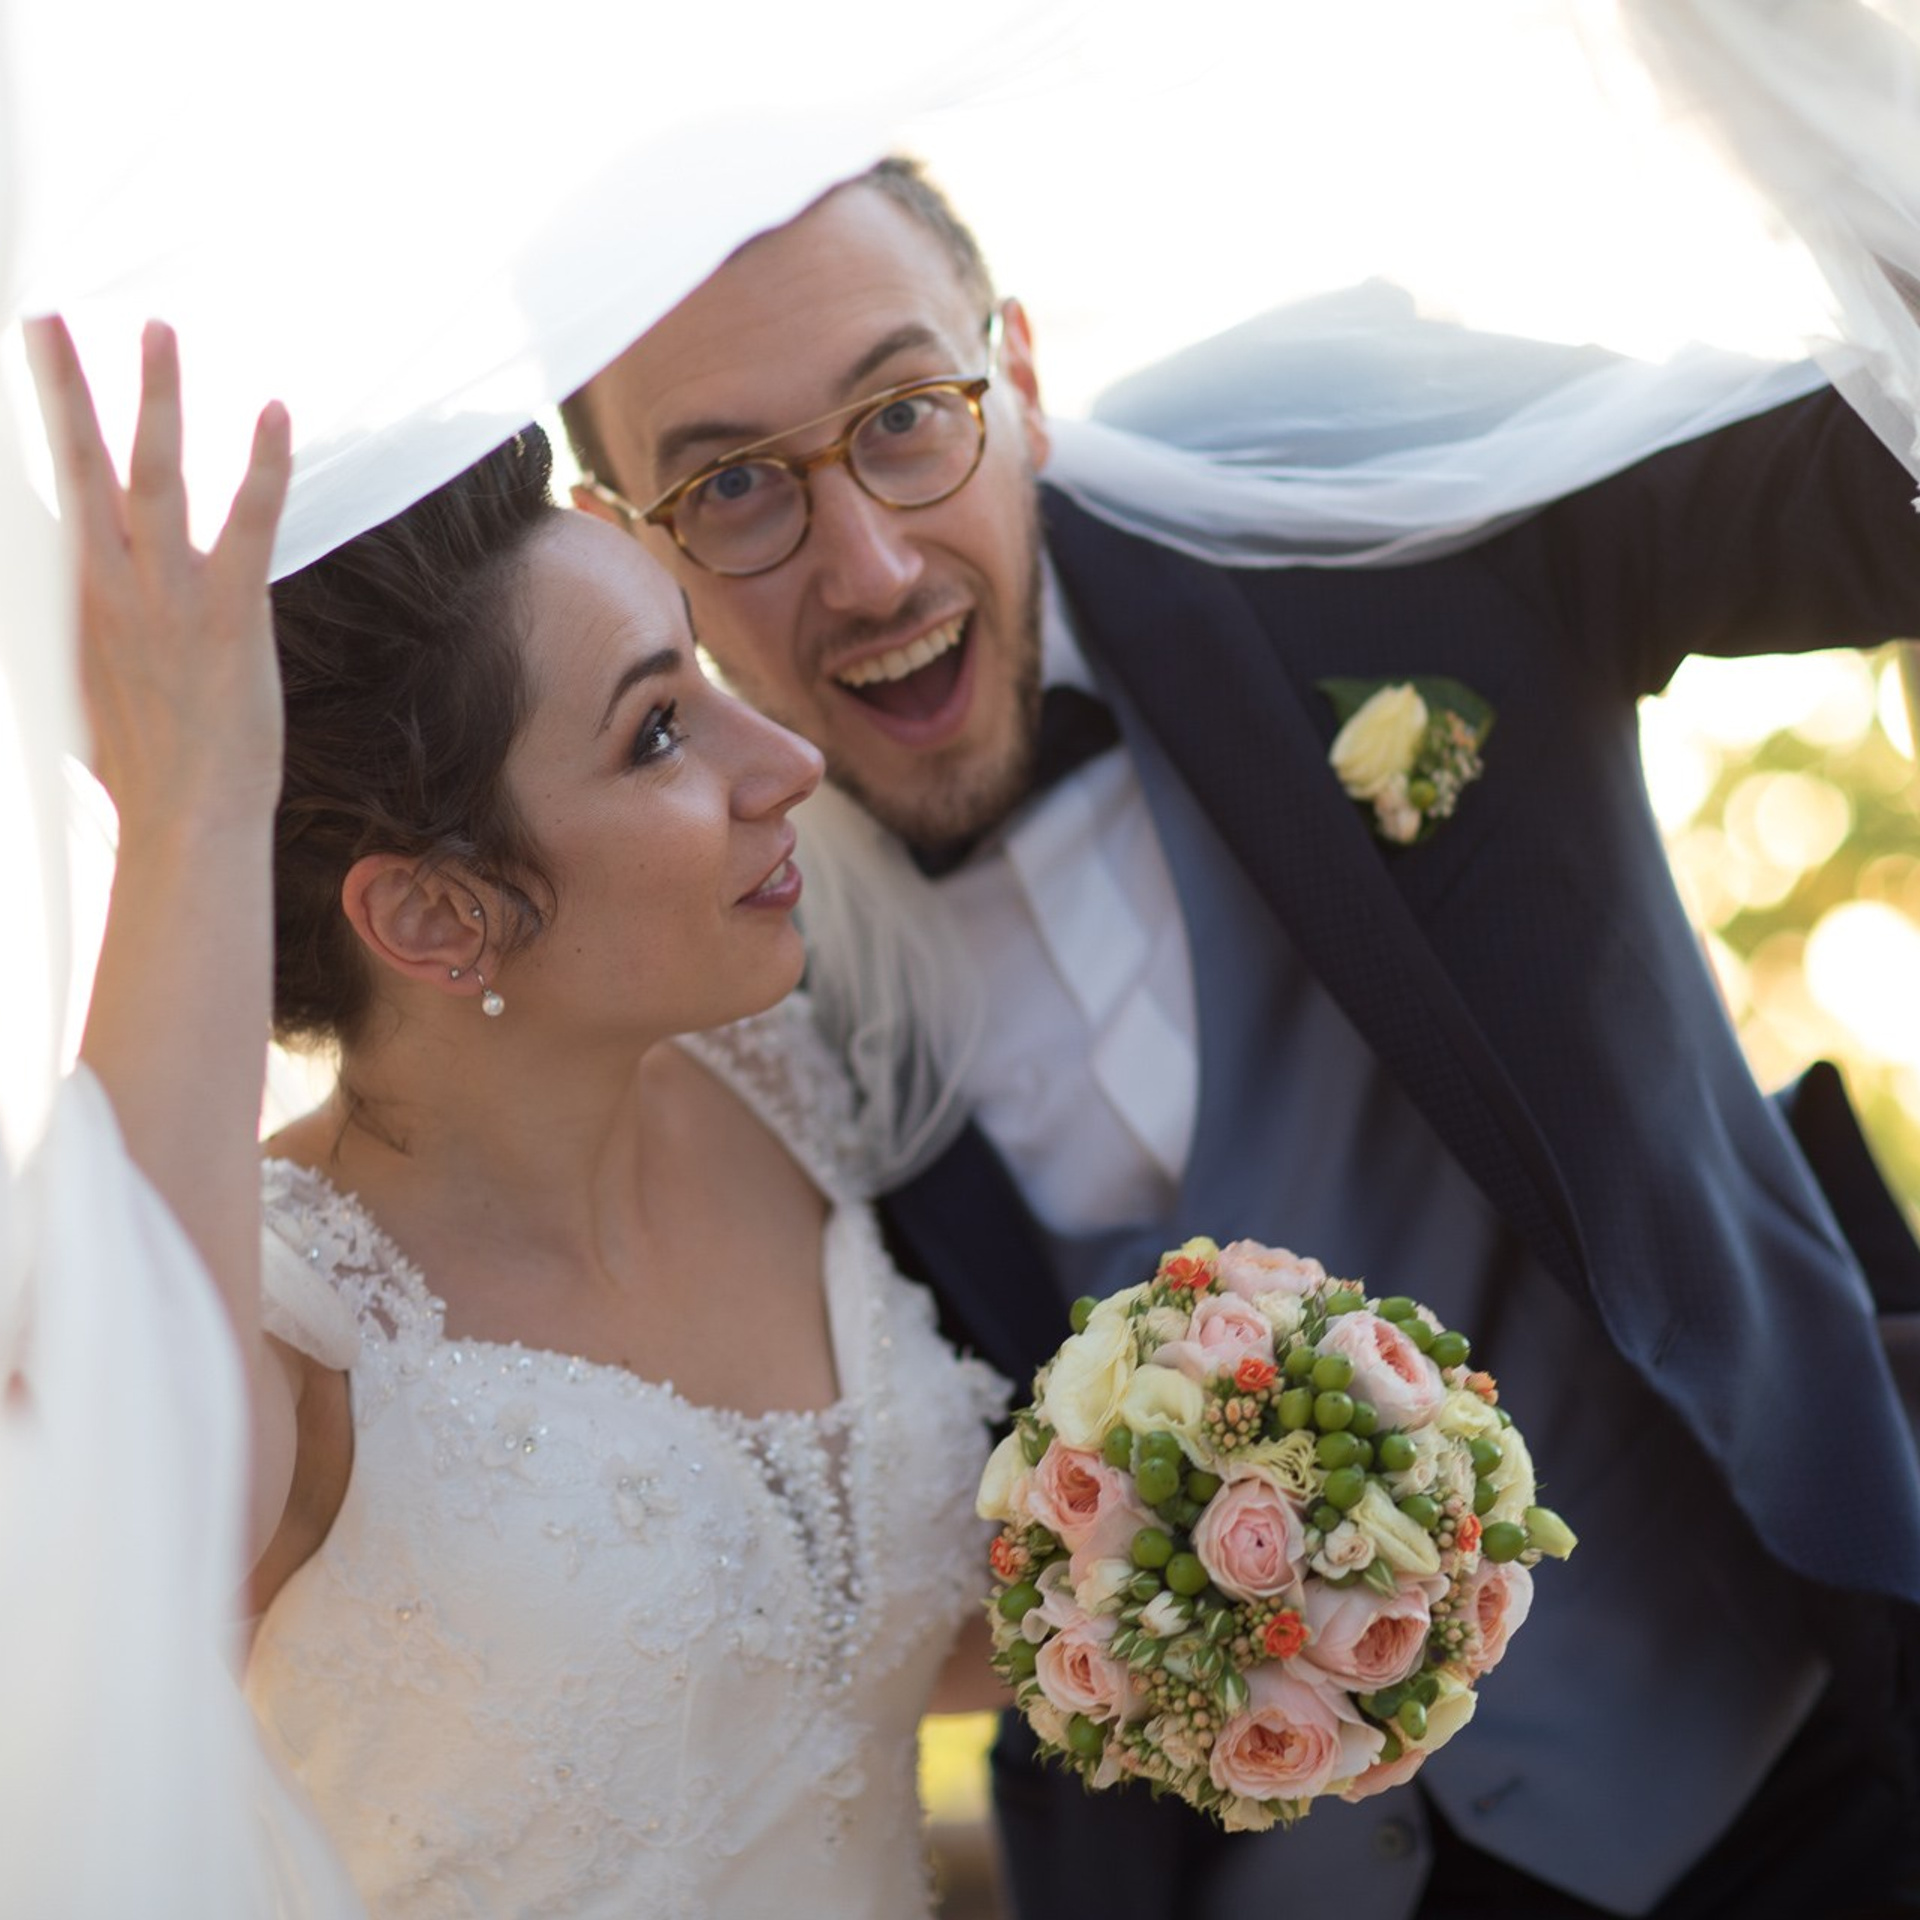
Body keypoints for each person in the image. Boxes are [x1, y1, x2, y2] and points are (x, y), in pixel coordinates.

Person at [561, 158, 1920, 1919]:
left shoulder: (1335, 494)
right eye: (733, 485)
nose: (869, 565)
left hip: (1810, 1739)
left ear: (1021, 377)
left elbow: (1872, 478)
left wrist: (1792, 80)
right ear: (623, 541)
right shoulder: (690, 972)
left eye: (906, 418)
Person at [28, 315, 1006, 1918]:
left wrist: (1169, 1604)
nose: (788, 763)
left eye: (697, 672)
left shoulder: (789, 1082)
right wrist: (190, 809)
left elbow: (827, 1673)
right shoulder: (291, 1329)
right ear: (433, 917)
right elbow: (119, 1522)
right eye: (660, 731)